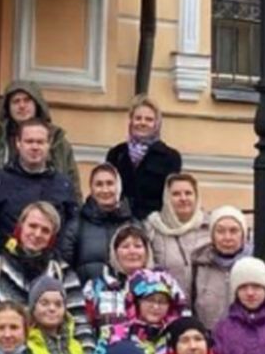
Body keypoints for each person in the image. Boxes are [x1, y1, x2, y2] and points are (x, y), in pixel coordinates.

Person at [0, 119, 81, 267]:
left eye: (40, 142)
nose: (35, 147)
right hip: (6, 265)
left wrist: (59, 256)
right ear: (18, 143)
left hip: (51, 266)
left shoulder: (63, 184)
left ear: (49, 145)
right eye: (29, 141)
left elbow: (72, 227)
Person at [0, 202, 85, 336]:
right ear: (20, 227)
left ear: (52, 238)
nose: (37, 234)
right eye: (32, 226)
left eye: (45, 230)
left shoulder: (62, 272)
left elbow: (79, 321)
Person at [0, 79, 75, 188]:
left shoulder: (57, 142)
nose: (22, 106)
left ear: (37, 104)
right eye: (16, 101)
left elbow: (72, 187)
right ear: (7, 107)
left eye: (27, 100)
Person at [105, 95, 183, 223]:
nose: (142, 123)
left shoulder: (170, 157)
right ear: (131, 121)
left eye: (149, 119)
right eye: (138, 118)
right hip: (119, 223)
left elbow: (170, 197)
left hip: (154, 225)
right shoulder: (116, 154)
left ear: (156, 124)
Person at [82, 223, 155, 349]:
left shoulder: (162, 284)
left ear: (147, 252)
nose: (132, 251)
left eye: (138, 246)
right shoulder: (95, 287)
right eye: (125, 246)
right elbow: (84, 328)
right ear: (114, 252)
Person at [101, 269, 184, 354]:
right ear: (136, 302)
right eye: (150, 299)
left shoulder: (176, 338)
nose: (156, 307)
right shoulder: (113, 334)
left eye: (162, 302)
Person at [186, 207, 250, 331]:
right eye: (220, 231)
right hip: (209, 342)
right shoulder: (198, 265)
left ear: (243, 235)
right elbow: (189, 306)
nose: (227, 237)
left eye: (234, 231)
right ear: (212, 235)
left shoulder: (255, 266)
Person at [74, 164, 135, 290]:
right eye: (99, 184)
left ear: (118, 187)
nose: (105, 190)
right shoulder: (76, 225)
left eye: (110, 183)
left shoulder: (133, 224)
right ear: (91, 188)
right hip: (86, 301)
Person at [144, 172, 209, 285]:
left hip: (205, 302)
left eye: (188, 193)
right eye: (176, 194)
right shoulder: (153, 228)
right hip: (167, 300)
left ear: (196, 196)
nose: (183, 198)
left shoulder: (210, 228)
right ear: (167, 198)